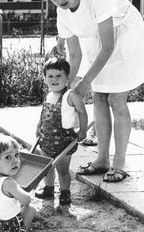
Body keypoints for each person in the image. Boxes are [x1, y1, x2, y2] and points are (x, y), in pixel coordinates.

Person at [43, 0, 144, 182]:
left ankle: (119, 164)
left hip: (124, 34)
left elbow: (108, 46)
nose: (60, 0)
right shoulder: (62, 13)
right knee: (99, 97)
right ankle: (102, 160)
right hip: (97, 41)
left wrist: (85, 83)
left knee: (116, 100)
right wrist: (65, 90)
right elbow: (74, 55)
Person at [52, 0, 122, 146]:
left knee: (106, 92)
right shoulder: (63, 1)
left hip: (104, 25)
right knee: (74, 80)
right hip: (79, 24)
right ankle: (68, 128)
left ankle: (97, 133)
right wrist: (62, 35)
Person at [34, 57, 88, 205]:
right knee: (46, 168)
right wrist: (39, 126)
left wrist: (82, 130)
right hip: (46, 139)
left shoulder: (70, 95)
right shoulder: (49, 95)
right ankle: (49, 189)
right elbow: (43, 112)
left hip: (64, 140)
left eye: (59, 76)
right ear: (45, 79)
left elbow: (82, 112)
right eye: (50, 76)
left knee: (62, 170)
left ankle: (65, 192)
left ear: (67, 78)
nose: (54, 79)